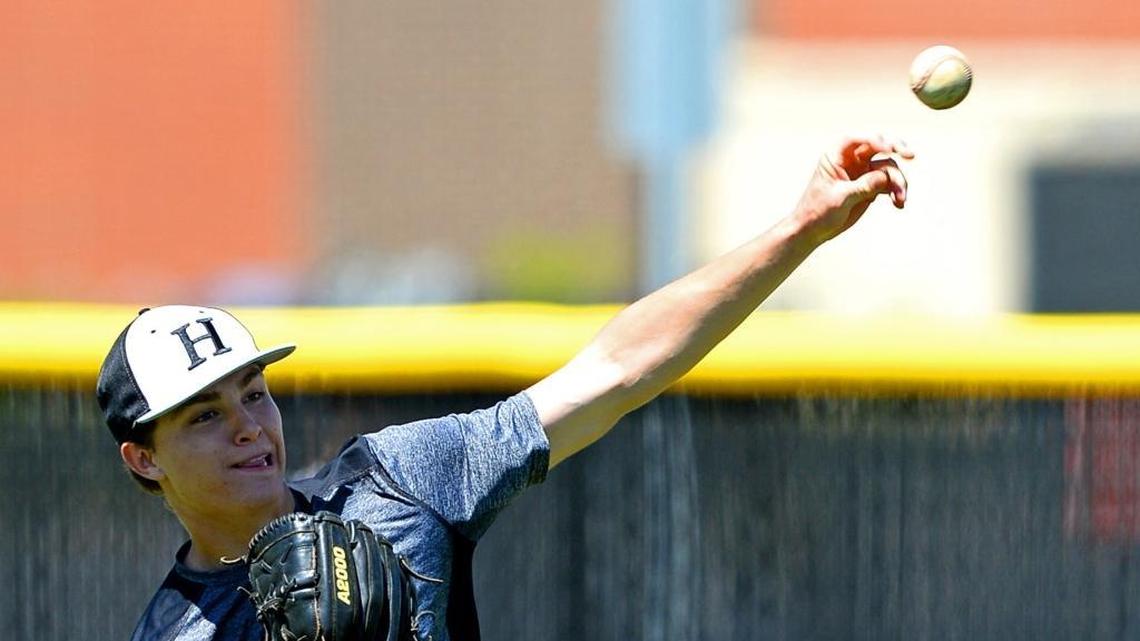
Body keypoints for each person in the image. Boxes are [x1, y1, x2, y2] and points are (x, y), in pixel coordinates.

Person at [97, 134, 913, 641]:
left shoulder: (395, 482)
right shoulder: (178, 632)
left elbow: (614, 371)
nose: (248, 425)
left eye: (253, 391)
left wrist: (801, 227)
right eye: (205, 414)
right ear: (143, 459)